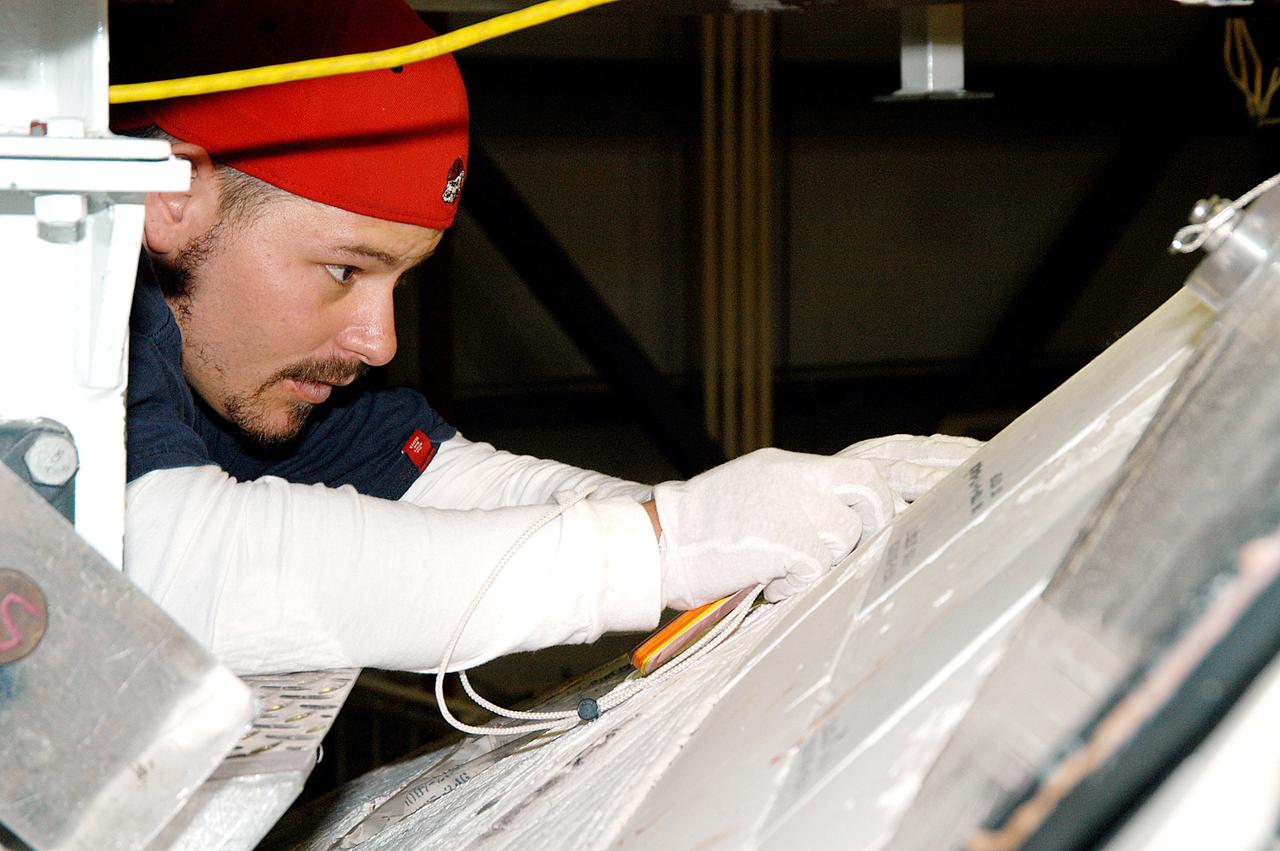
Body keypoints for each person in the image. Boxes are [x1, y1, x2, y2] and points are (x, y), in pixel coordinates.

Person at [116, 0, 978, 676]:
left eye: (400, 282)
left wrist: (733, 519)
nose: (379, 342)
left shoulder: (246, 365)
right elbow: (163, 564)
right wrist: (664, 544)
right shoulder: (47, 303)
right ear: (171, 193)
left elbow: (441, 482)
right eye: (345, 270)